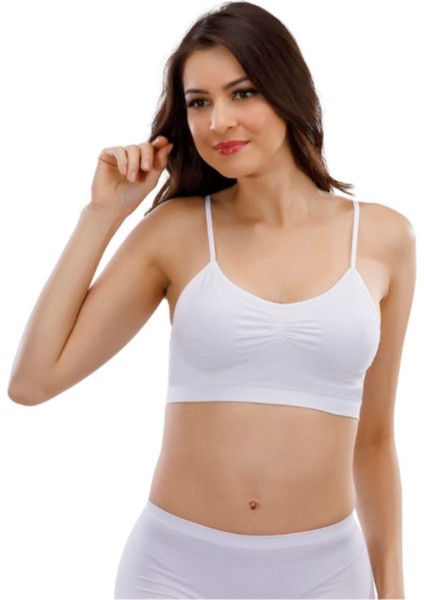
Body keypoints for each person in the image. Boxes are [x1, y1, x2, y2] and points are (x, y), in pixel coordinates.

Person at [8, 1, 415, 598]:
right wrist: (101, 216)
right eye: (199, 102)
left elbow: (374, 440)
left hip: (326, 574)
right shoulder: (176, 232)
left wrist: (394, 589)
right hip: (175, 573)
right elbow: (32, 382)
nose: (219, 121)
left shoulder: (384, 237)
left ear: (288, 91)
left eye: (242, 93)